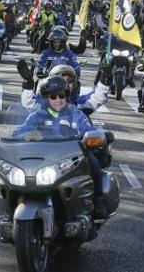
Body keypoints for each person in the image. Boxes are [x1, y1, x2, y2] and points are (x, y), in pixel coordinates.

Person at [13, 75, 108, 218]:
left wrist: (92, 137)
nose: (58, 100)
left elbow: (88, 130)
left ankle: (98, 201)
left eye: (61, 96)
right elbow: (20, 132)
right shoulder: (37, 116)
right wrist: (13, 138)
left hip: (70, 158)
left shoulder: (77, 115)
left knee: (92, 161)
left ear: (66, 96)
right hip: (44, 159)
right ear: (46, 98)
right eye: (53, 97)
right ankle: (14, 204)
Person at [20, 64, 109, 114]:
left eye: (69, 81)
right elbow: (29, 103)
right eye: (61, 80)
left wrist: (105, 79)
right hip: (45, 144)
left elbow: (97, 98)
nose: (65, 84)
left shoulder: (78, 105)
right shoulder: (44, 103)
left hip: (73, 145)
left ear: (74, 85)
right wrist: (27, 85)